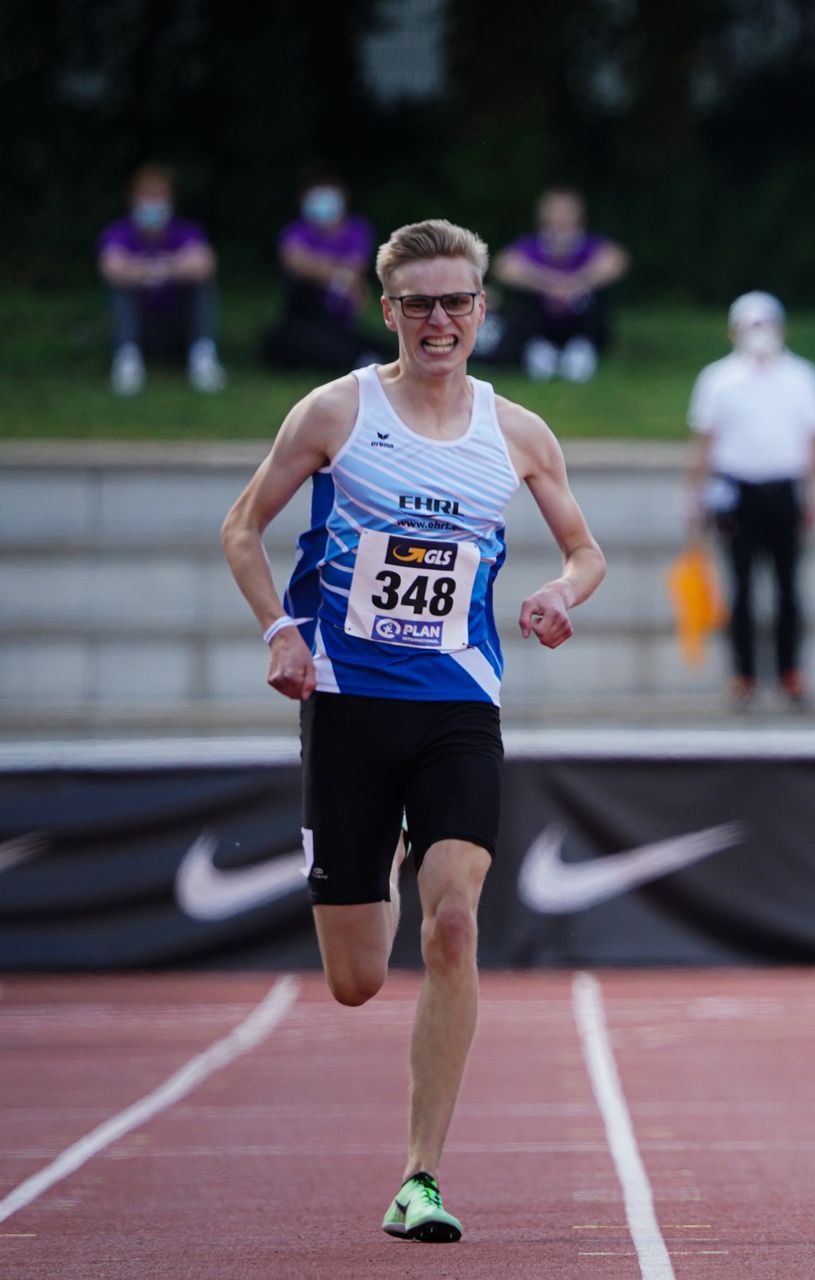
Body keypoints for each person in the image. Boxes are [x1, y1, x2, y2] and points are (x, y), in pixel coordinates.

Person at [219, 219, 605, 1242]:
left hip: (456, 708)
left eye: (457, 302)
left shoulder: (515, 431)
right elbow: (242, 528)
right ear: (387, 309)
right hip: (347, 708)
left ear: (484, 308)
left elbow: (586, 551)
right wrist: (278, 633)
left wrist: (561, 594)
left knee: (455, 925)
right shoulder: (336, 410)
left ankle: (421, 1175)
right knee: (353, 980)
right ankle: (382, 856)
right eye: (420, 303)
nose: (440, 320)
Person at [684, 291, 815, 708]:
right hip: (737, 495)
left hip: (784, 492)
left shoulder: (802, 377)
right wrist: (696, 497)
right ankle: (743, 675)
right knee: (741, 588)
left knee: (788, 587)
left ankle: (790, 672)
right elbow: (706, 443)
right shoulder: (718, 379)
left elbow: (814, 442)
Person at [97, 162, 224, 395]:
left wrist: (149, 270)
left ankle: (203, 358)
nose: (153, 202)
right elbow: (112, 269)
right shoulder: (118, 232)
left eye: (160, 196)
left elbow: (204, 265)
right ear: (134, 198)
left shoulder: (187, 230)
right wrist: (169, 268)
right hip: (140, 326)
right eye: (148, 195)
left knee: (201, 285)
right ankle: (127, 361)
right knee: (121, 289)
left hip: (178, 325)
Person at [488, 186, 629, 382]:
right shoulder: (532, 246)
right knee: (522, 302)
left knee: (596, 300)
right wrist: (548, 285)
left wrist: (576, 283)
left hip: (579, 318)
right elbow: (504, 266)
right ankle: (539, 351)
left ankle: (581, 350)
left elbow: (616, 262)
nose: (561, 218)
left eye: (567, 211)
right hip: (541, 319)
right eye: (555, 211)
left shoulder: (589, 245)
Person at [261, 171, 386, 372]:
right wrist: (339, 276)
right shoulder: (296, 231)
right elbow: (294, 262)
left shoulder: (357, 229)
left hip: (339, 323)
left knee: (380, 344)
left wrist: (318, 268)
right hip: (302, 317)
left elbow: (355, 269)